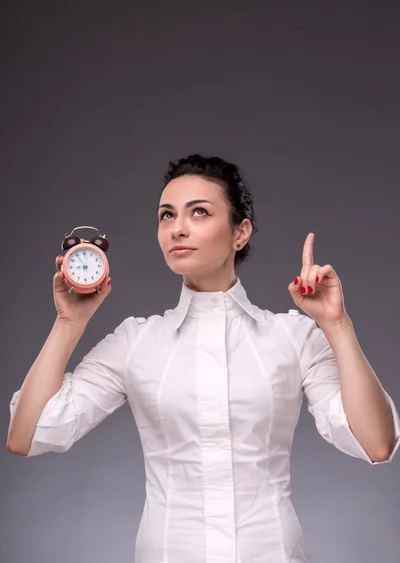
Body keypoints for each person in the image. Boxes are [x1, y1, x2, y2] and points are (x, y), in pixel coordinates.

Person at [7, 153, 400, 562]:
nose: (177, 228)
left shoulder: (293, 337)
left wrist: (337, 326)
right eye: (166, 215)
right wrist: (69, 322)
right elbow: (28, 435)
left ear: (240, 233)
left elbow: (376, 442)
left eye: (199, 213)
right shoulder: (136, 342)